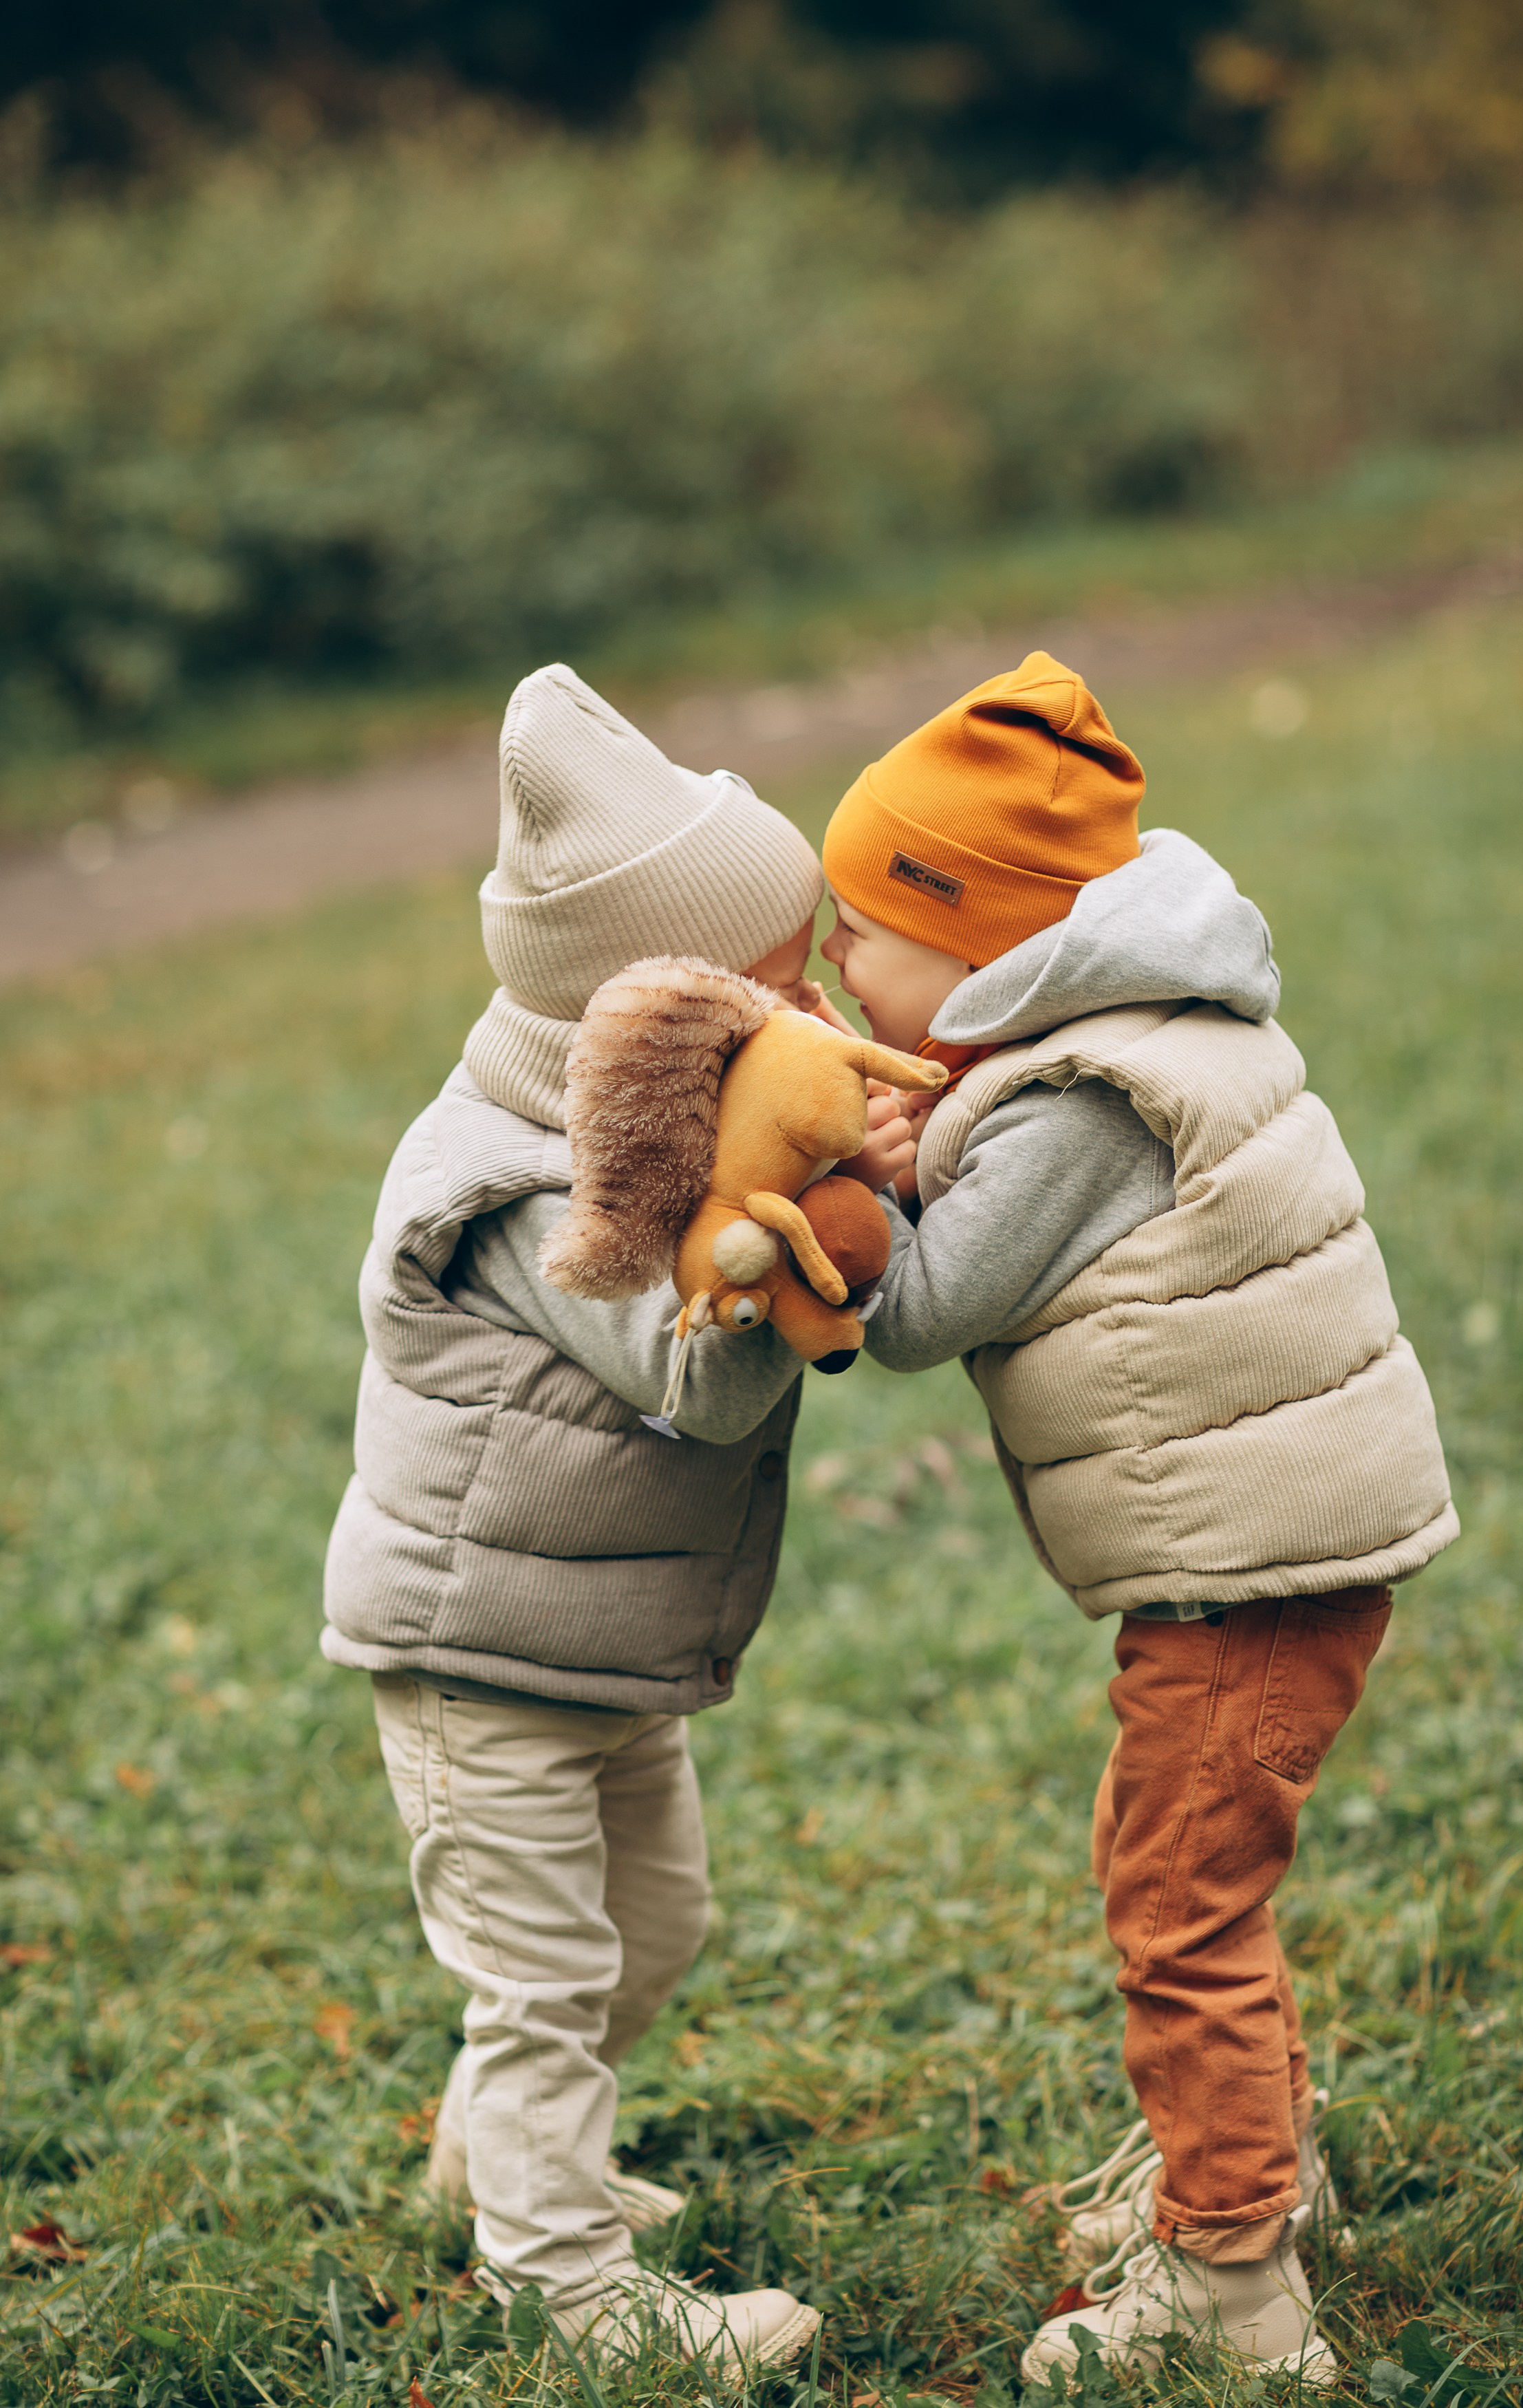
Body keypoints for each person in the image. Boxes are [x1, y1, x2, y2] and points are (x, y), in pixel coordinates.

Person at [817, 652, 1458, 2386]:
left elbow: (926, 1304)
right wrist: (928, 1134)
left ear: (983, 948)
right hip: (1274, 1546)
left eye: (858, 927)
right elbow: (993, 1185)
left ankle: (1236, 2288)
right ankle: (1240, 2168)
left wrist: (844, 1194)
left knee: (1180, 1903)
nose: (832, 964)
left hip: (1252, 1568)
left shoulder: (1080, 1100)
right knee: (1179, 1866)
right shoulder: (1133, 1037)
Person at [320, 664, 906, 2368]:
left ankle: (499, 2161)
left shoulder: (656, 1138)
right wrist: (796, 1199)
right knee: (548, 1980)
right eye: (777, 981)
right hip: (475, 1655)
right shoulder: (511, 1193)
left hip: (592, 1642)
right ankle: (567, 2286)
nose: (811, 1003)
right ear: (648, 1013)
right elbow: (701, 1382)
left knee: (656, 1928)